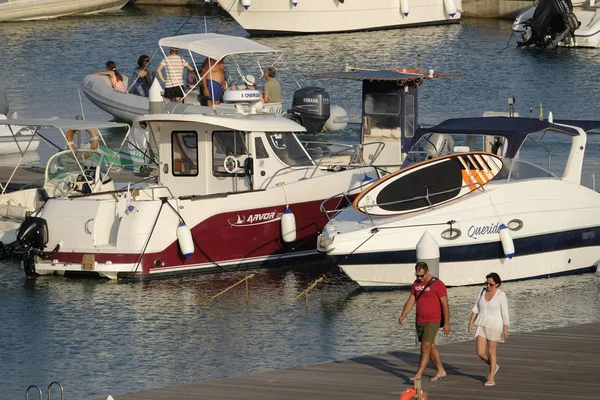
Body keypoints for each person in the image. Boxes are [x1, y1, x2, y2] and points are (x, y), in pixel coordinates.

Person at [399, 262, 450, 382]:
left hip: (433, 320)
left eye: (421, 276)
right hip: (420, 320)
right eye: (417, 276)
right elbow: (412, 299)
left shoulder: (438, 284)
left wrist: (447, 323)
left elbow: (445, 304)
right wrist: (404, 314)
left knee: (424, 348)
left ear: (427, 272)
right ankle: (441, 371)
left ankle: (418, 375)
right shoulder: (416, 284)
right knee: (431, 347)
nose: (419, 278)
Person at [468, 272, 510, 387]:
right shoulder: (482, 291)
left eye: (491, 284)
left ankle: (491, 377)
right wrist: (471, 322)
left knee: (491, 351)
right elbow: (476, 307)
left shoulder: (501, 295)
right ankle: (494, 366)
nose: (488, 286)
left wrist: (506, 328)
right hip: (481, 323)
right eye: (486, 283)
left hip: (495, 325)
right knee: (480, 352)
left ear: (497, 284)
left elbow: (505, 313)